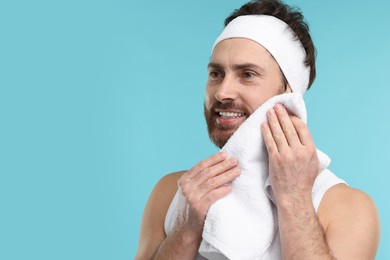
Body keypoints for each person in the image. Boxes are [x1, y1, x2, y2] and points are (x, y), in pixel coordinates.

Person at [135, 0, 380, 259]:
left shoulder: (347, 209)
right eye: (216, 74)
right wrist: (185, 230)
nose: (222, 92)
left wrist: (294, 200)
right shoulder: (173, 192)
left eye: (247, 74)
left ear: (289, 96)